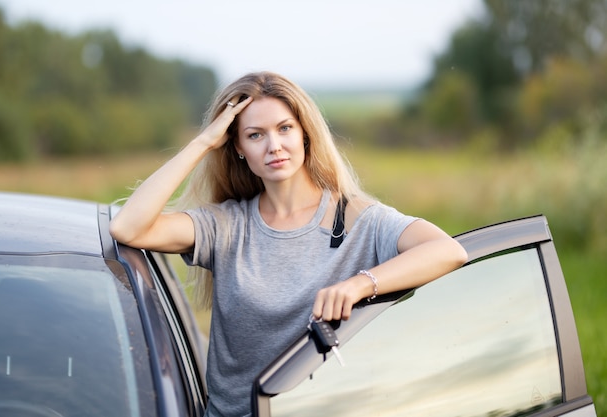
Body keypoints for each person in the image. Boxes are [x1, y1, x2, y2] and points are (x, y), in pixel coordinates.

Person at [110, 71, 467, 417]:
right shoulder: (226, 226)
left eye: (284, 128)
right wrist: (203, 142)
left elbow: (449, 251)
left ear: (305, 134)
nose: (274, 146)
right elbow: (130, 228)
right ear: (236, 147)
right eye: (255, 135)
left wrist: (360, 283)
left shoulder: (360, 219)